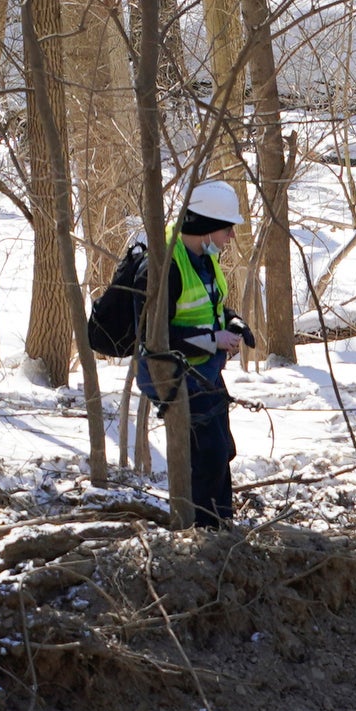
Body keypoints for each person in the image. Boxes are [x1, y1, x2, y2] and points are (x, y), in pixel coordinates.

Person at [85, 180, 255, 526]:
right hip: (172, 375)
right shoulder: (162, 267)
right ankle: (203, 533)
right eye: (227, 229)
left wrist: (232, 322)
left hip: (202, 371)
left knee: (222, 450)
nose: (231, 238)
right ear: (206, 227)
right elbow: (153, 338)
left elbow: (208, 307)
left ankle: (219, 528)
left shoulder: (203, 259)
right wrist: (213, 339)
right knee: (206, 454)